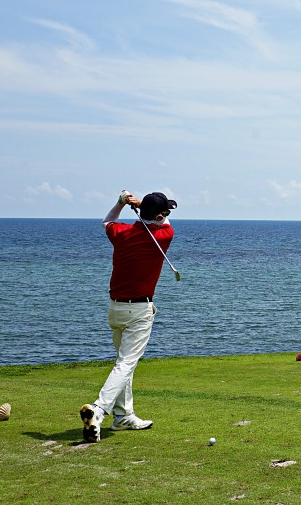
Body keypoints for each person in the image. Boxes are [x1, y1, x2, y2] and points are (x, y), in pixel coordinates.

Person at [79, 189, 177, 443]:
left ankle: (123, 417)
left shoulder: (121, 233)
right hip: (140, 310)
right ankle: (99, 410)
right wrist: (145, 209)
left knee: (124, 364)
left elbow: (108, 221)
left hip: (115, 308)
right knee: (126, 363)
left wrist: (121, 202)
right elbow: (163, 222)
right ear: (158, 215)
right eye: (164, 211)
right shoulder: (164, 235)